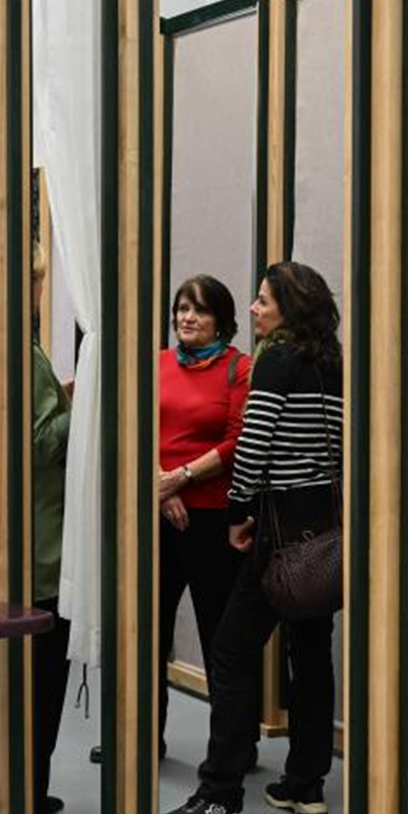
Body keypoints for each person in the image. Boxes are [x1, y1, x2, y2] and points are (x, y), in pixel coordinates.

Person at [159, 261, 343, 814]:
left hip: (277, 529)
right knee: (311, 653)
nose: (255, 309)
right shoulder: (331, 361)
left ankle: (220, 797)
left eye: (264, 300)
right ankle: (305, 784)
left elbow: (254, 447)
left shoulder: (275, 360)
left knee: (230, 653)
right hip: (323, 529)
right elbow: (336, 447)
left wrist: (238, 514)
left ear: (290, 308)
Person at [154, 275, 251, 760]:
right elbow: (134, 425)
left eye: (200, 310)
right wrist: (159, 485)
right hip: (157, 515)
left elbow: (238, 440)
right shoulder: (156, 364)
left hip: (213, 521)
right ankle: (142, 736)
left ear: (221, 320)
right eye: (181, 308)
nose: (187, 318)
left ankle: (232, 749)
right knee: (149, 629)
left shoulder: (239, 368)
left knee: (219, 635)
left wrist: (182, 477)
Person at [30, 253, 72, 814]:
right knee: (44, 679)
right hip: (43, 548)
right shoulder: (25, 352)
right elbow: (43, 442)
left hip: (29, 541)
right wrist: (80, 403)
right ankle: (32, 787)